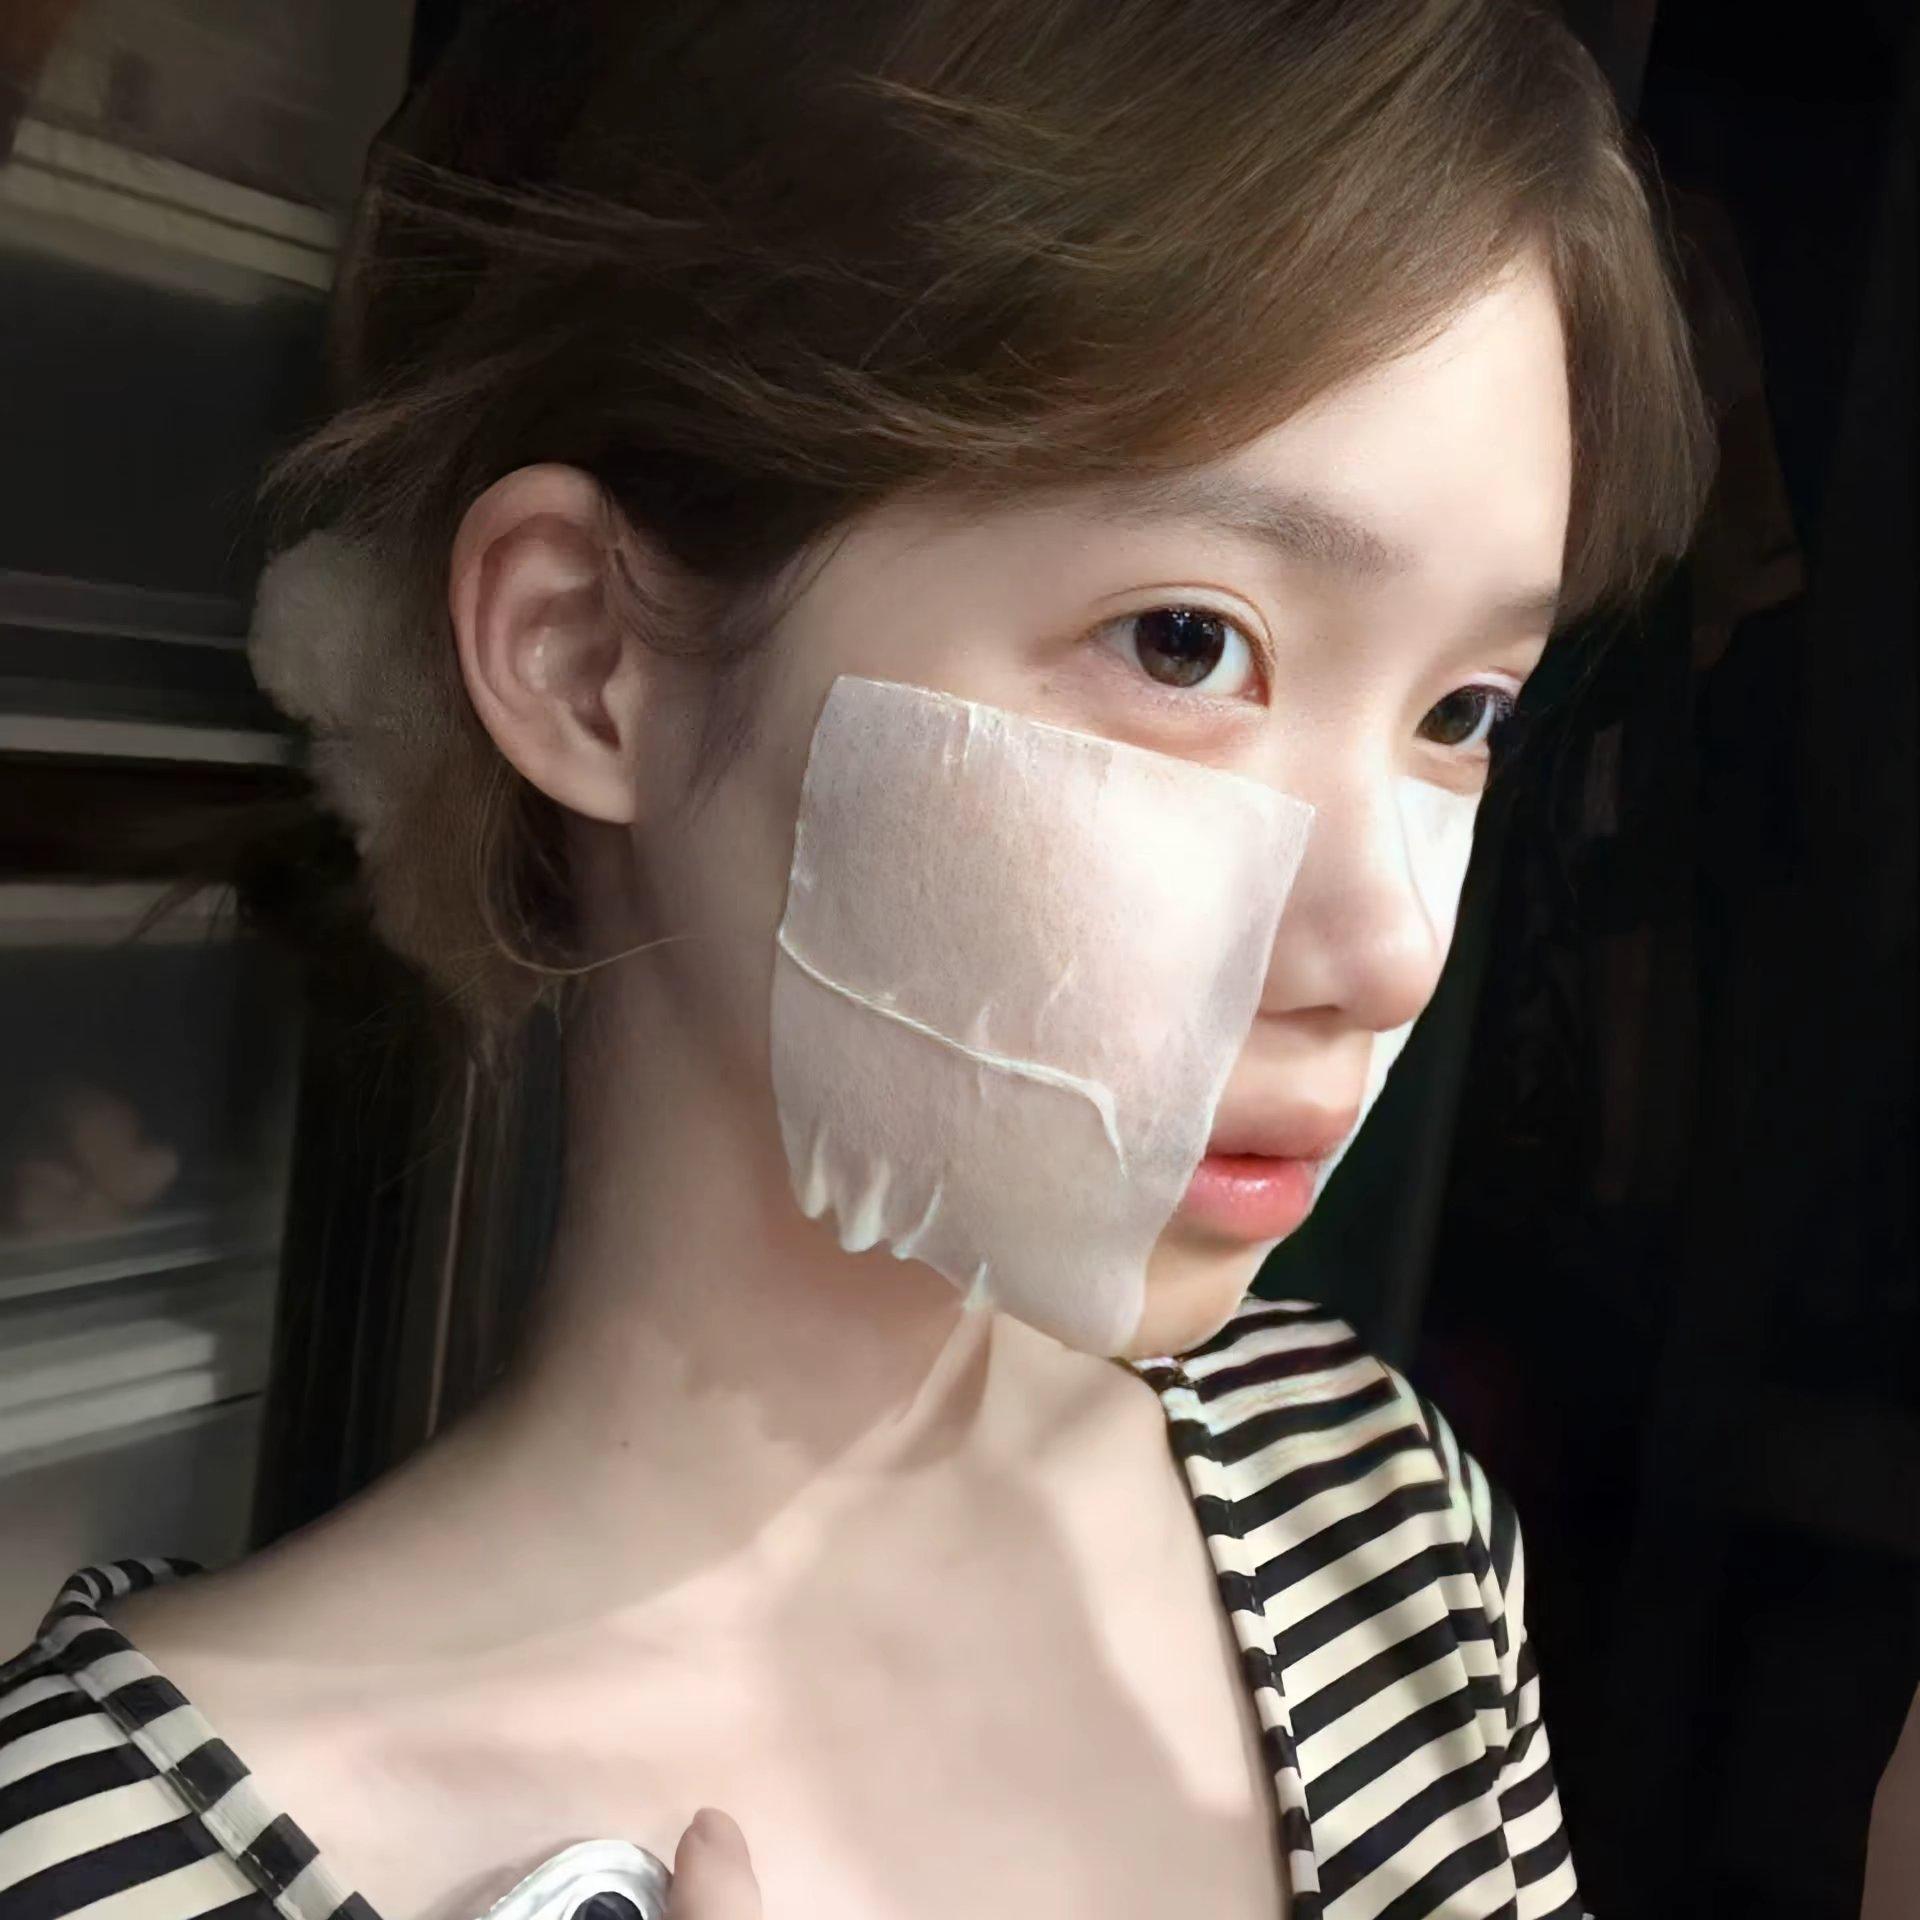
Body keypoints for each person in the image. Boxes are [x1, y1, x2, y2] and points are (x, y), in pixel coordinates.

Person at [0, 2, 1714, 1916]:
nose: (1387, 949)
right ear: (588, 657)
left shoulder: (1380, 1531)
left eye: (1465, 711)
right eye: (1185, 643)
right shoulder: (103, 1860)